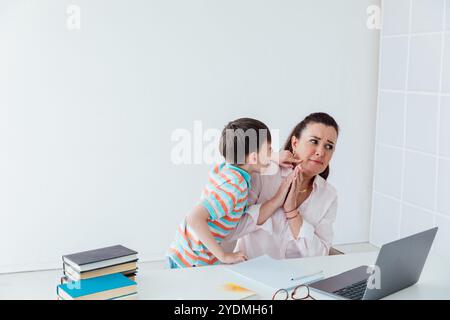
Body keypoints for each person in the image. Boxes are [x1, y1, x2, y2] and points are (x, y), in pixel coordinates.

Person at [166, 118, 295, 268]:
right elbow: (194, 218)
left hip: (187, 251)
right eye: (269, 150)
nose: (272, 153)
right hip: (191, 259)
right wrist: (224, 255)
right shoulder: (235, 187)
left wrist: (273, 157)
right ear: (253, 157)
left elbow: (250, 156)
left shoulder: (228, 167)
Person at [228, 112, 339, 260]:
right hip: (250, 273)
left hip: (299, 279)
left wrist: (292, 213)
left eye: (329, 146)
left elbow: (320, 255)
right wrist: (275, 202)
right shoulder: (262, 173)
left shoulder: (328, 195)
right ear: (295, 143)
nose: (321, 152)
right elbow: (231, 229)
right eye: (314, 141)